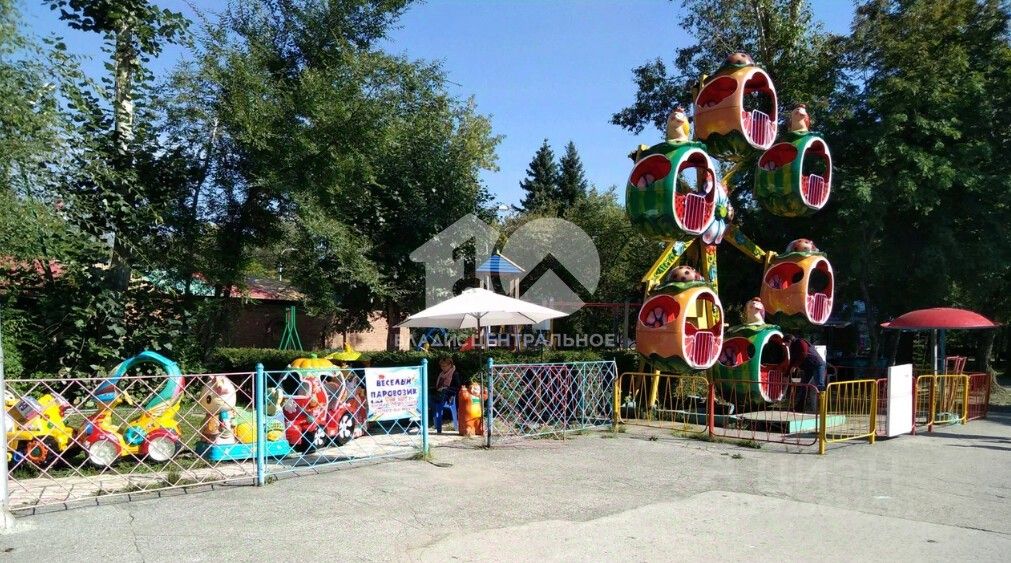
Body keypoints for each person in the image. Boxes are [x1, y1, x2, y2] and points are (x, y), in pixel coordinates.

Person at [784, 335, 827, 413]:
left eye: (786, 343)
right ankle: (800, 408)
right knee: (804, 387)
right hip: (808, 368)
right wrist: (786, 374)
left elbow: (803, 354)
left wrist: (795, 366)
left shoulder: (801, 342)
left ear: (789, 341)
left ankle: (822, 409)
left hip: (817, 365)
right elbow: (792, 361)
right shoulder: (792, 347)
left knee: (820, 385)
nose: (786, 346)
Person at [430, 356, 462, 428]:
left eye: (444, 366)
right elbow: (437, 386)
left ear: (450, 365)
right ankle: (436, 421)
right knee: (429, 396)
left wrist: (445, 388)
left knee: (436, 400)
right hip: (440, 393)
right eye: (441, 366)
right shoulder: (441, 374)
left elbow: (458, 387)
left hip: (450, 395)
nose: (442, 368)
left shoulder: (455, 374)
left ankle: (438, 421)